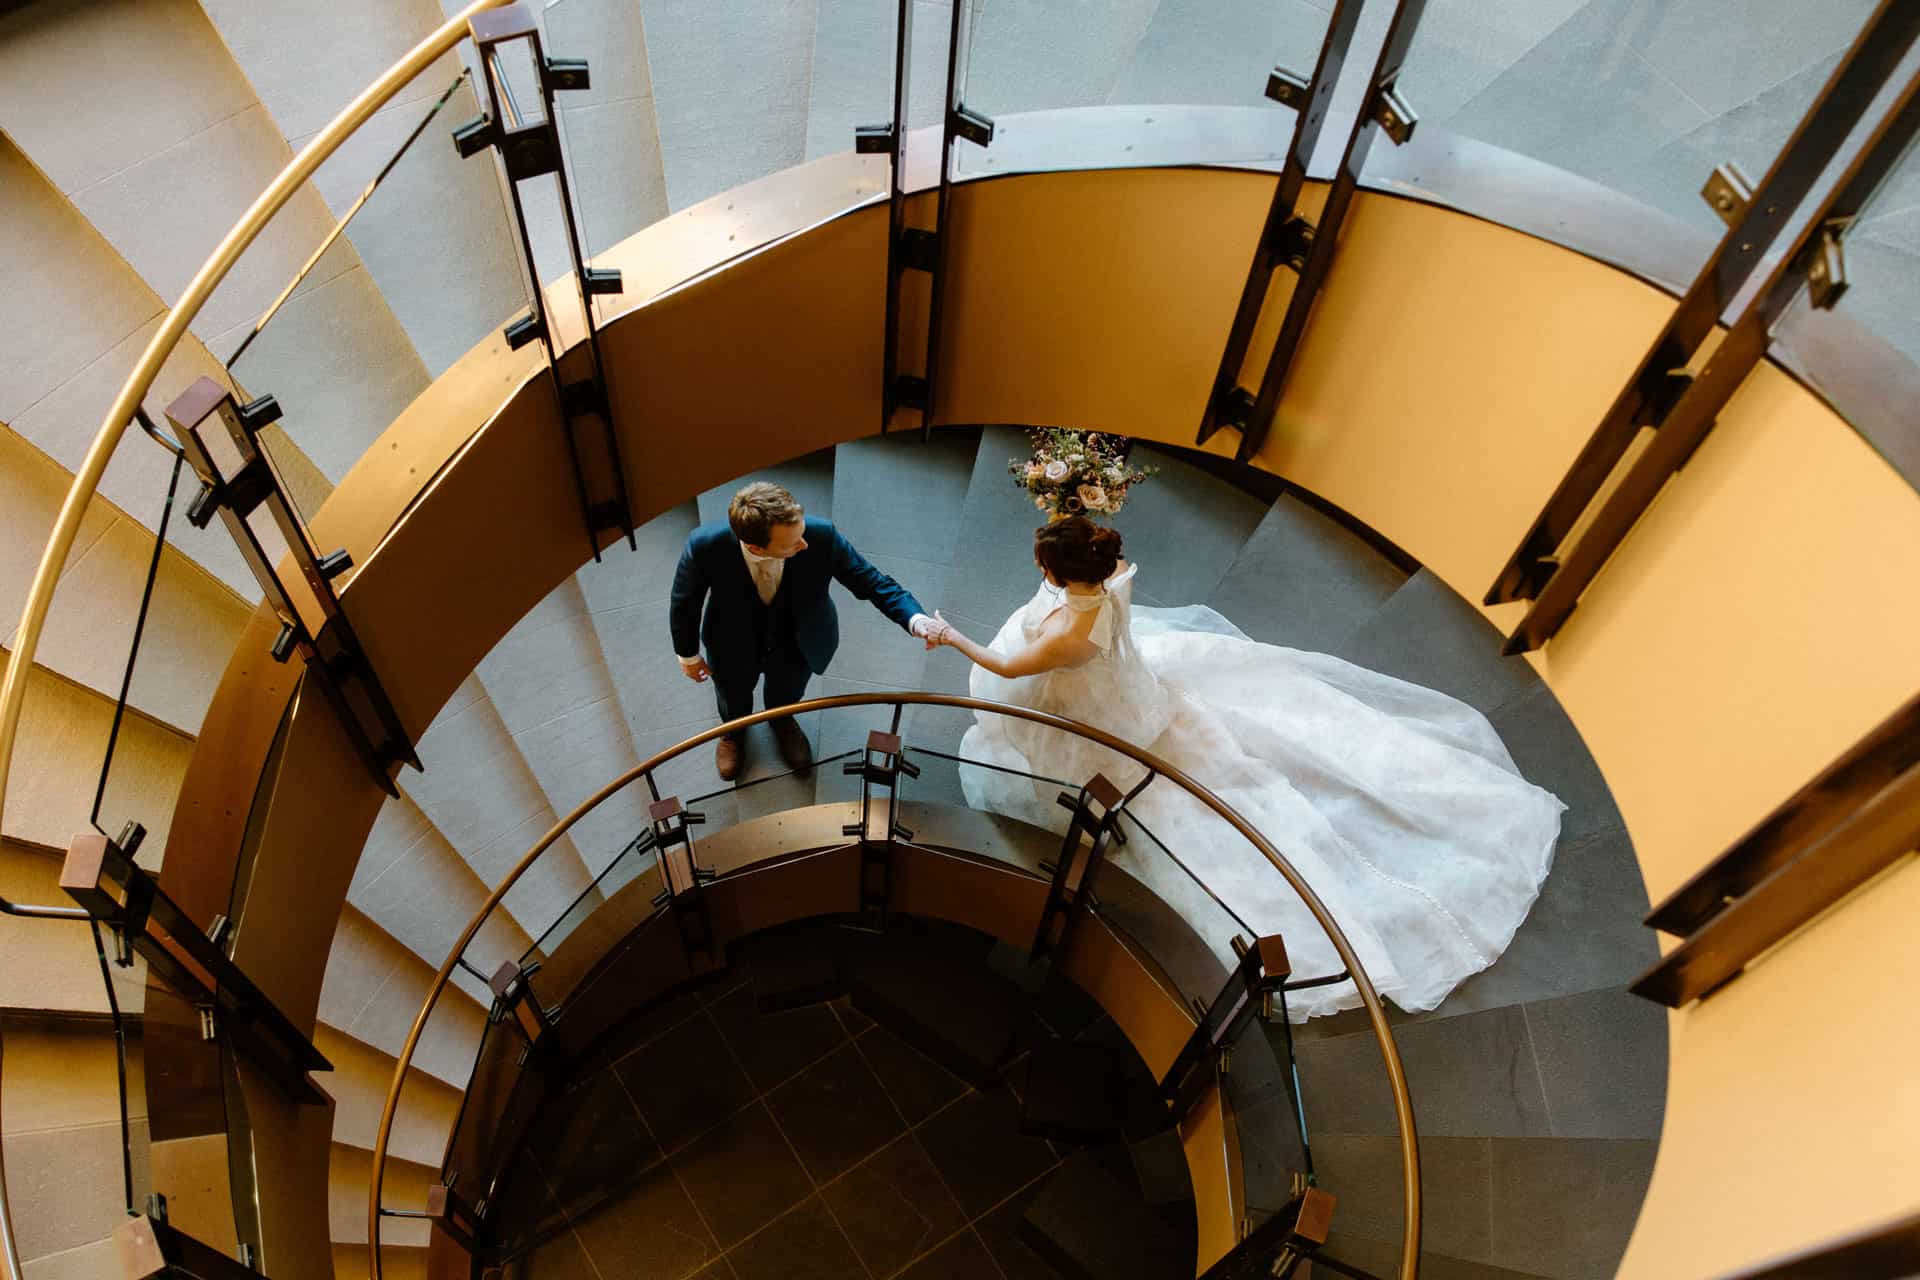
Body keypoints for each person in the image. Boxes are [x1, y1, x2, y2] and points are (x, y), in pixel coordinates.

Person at [926, 517, 1564, 1019]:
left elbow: (1010, 669)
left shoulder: (1065, 635)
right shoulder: (1114, 575)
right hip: (1123, 683)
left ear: (1055, 573)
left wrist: (952, 636)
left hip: (1090, 701)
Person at [671, 482, 938, 780]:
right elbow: (685, 602)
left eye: (801, 534)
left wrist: (916, 620)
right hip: (732, 641)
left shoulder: (820, 535)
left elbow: (872, 582)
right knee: (732, 695)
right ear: (755, 547)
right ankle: (734, 731)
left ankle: (782, 720)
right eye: (792, 544)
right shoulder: (705, 546)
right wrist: (688, 656)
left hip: (799, 638)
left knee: (787, 690)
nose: (804, 544)